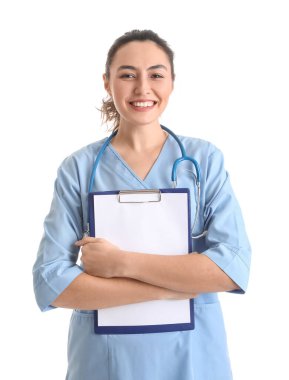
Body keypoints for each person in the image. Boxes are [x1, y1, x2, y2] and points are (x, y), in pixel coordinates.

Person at [33, 29, 251, 380]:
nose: (142, 88)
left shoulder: (203, 160)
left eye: (156, 75)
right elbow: (51, 283)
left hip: (194, 359)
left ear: (172, 83)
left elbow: (231, 268)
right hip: (104, 362)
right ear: (107, 83)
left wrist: (120, 262)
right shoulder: (79, 168)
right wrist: (173, 288)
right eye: (128, 74)